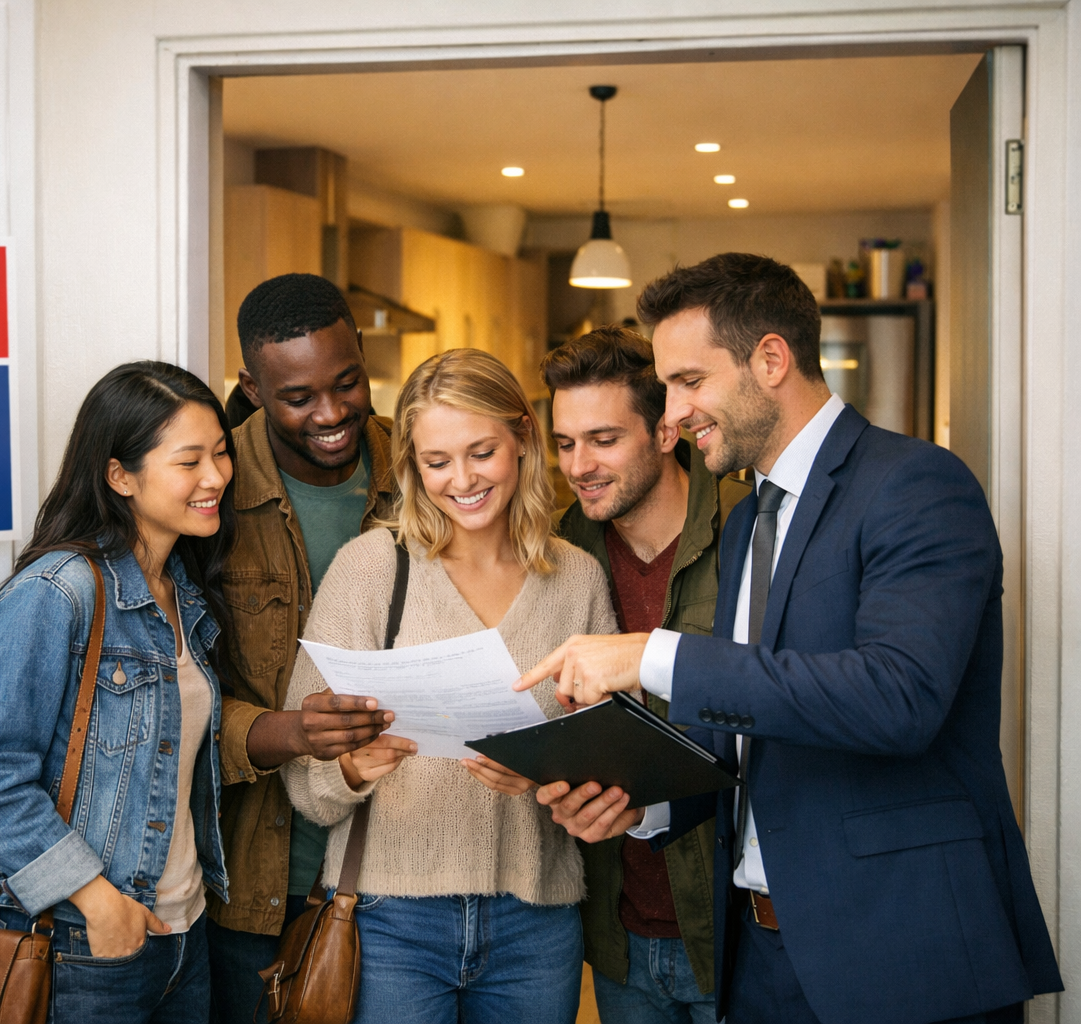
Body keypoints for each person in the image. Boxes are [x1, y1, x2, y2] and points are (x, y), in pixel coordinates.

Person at [520, 254, 1062, 1024]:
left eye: (689, 381)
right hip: (761, 959)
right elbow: (751, 736)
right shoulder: (749, 518)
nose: (673, 413)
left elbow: (899, 699)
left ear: (770, 360)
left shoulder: (916, 484)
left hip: (900, 948)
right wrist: (640, 809)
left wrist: (651, 654)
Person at [281, 347, 617, 1024]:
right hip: (390, 921)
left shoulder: (577, 578)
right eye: (436, 462)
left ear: (523, 437)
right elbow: (303, 775)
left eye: (481, 452)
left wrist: (541, 771)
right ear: (412, 466)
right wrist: (350, 767)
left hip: (536, 922)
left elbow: (610, 759)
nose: (461, 480)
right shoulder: (370, 570)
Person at [0, 361, 237, 1024]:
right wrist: (99, 903)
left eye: (220, 453)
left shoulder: (185, 594)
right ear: (119, 475)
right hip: (84, 945)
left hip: (184, 934)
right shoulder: (57, 593)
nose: (216, 477)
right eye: (189, 461)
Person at [207, 273, 404, 1024]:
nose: (331, 413)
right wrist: (289, 731)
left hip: (402, 873)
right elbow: (171, 695)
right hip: (262, 883)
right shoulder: (213, 489)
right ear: (253, 390)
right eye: (298, 397)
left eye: (347, 383)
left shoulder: (421, 467)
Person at [545, 325, 749, 1024]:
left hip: (734, 932)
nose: (579, 466)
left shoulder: (748, 529)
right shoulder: (558, 551)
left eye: (603, 440)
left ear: (666, 430)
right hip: (619, 935)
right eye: (565, 443)